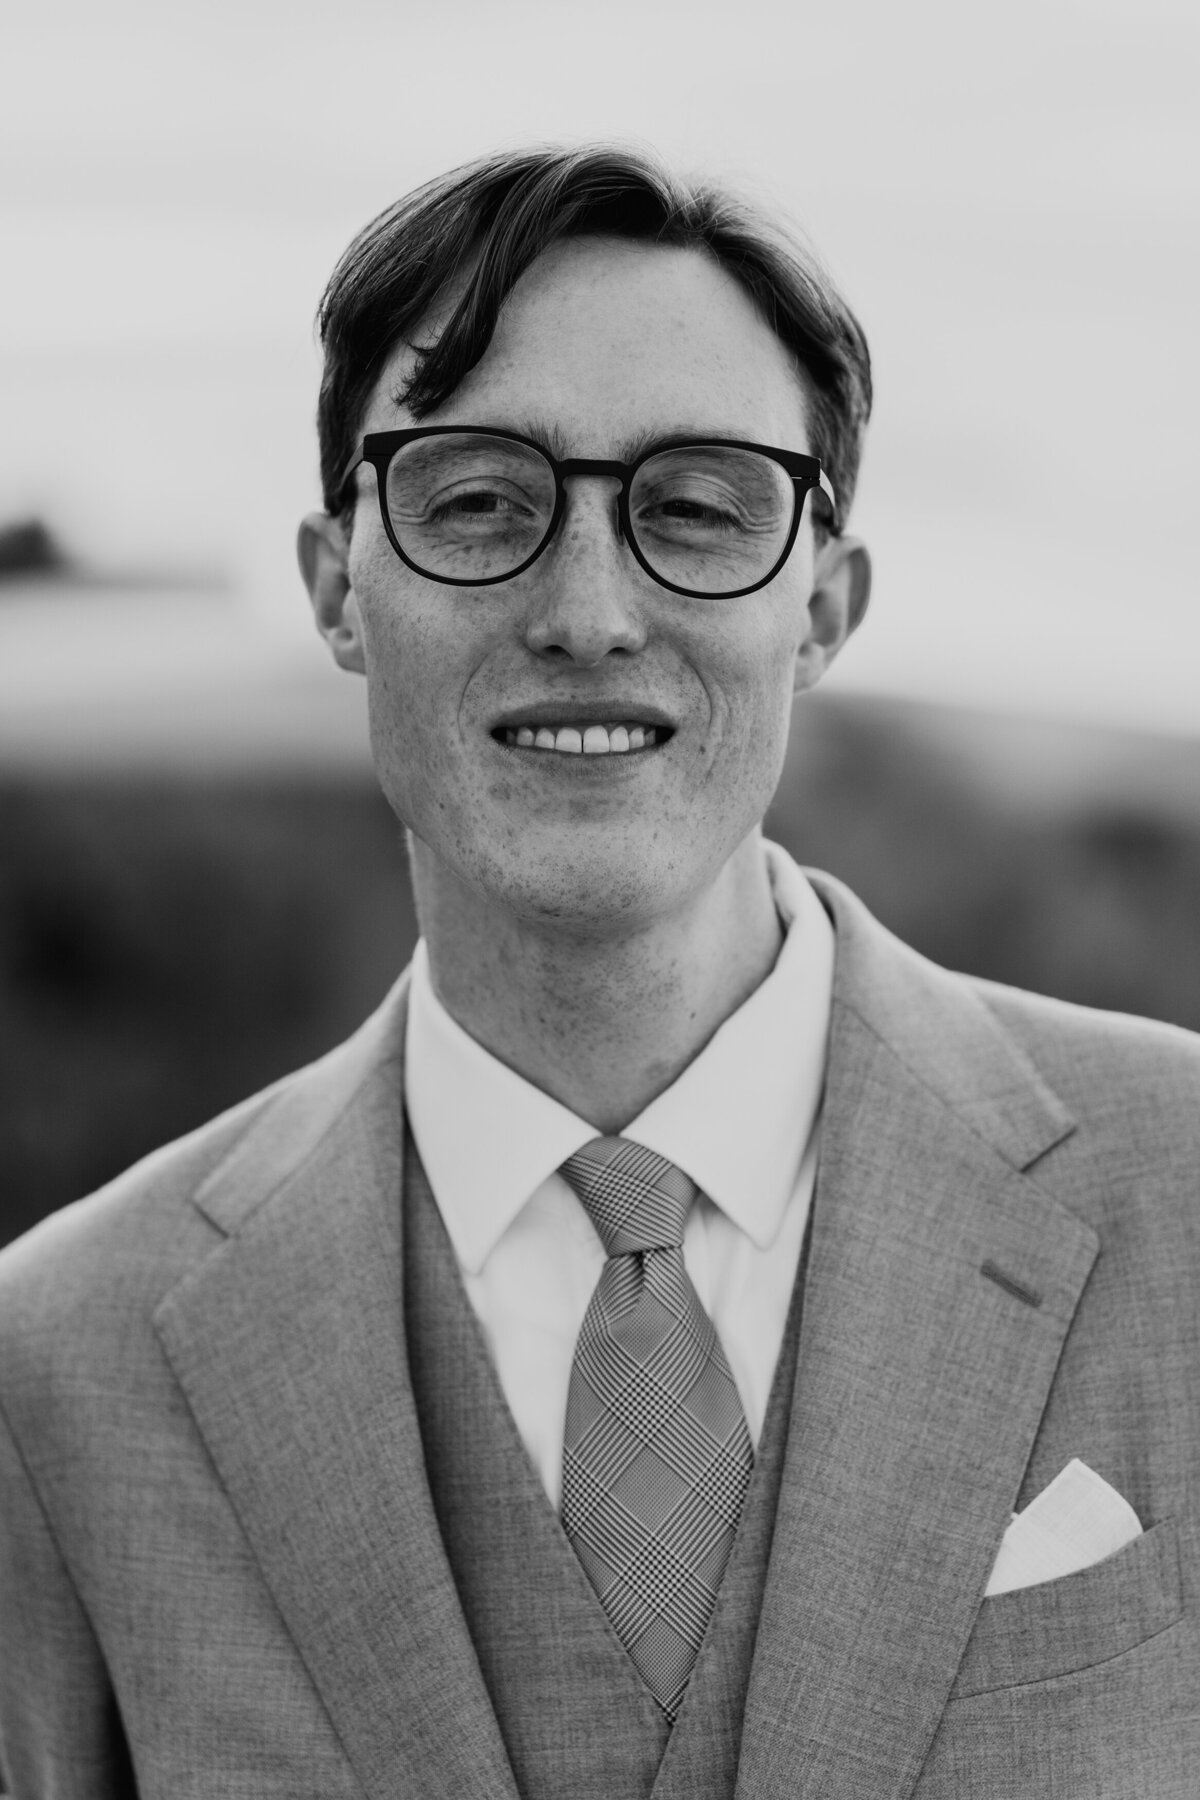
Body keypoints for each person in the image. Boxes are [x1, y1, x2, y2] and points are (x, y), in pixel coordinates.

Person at [0, 144, 1197, 1800]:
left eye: (697, 509)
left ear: (825, 609)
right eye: (479, 498)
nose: (586, 609)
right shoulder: (61, 1363)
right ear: (339, 587)